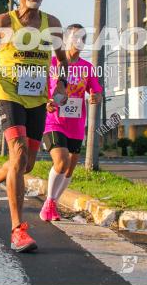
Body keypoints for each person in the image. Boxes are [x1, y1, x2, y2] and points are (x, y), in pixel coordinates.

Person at [0, 0, 68, 252]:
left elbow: (62, 60)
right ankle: (17, 230)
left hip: (38, 99)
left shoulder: (52, 24)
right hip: (9, 94)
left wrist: (61, 84)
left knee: (25, 165)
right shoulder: (3, 21)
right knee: (17, 156)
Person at [40, 24, 102, 222]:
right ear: (65, 40)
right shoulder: (51, 64)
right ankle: (49, 202)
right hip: (53, 120)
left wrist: (95, 97)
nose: (80, 41)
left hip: (76, 123)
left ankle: (53, 204)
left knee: (69, 167)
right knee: (61, 160)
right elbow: (39, 91)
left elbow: (96, 90)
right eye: (76, 37)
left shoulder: (87, 67)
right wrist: (46, 103)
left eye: (83, 37)